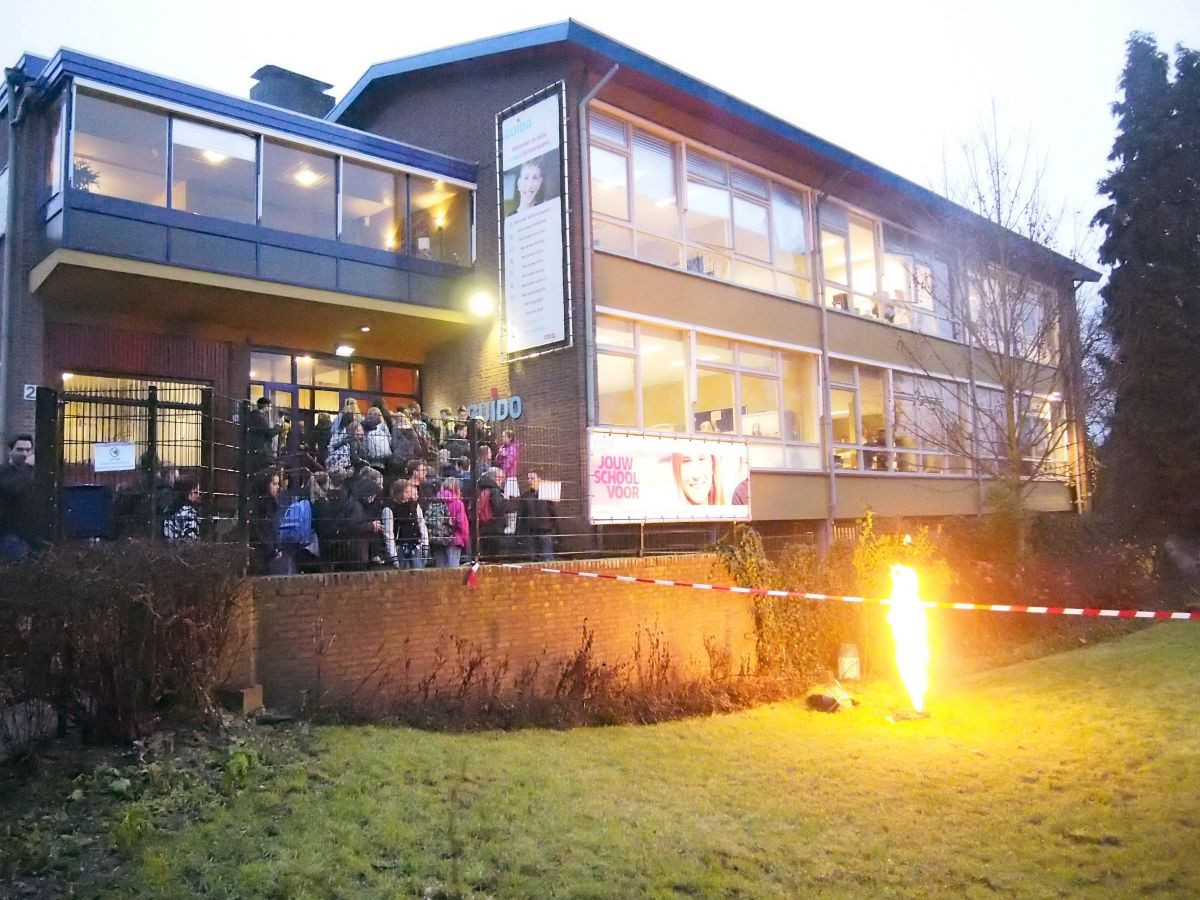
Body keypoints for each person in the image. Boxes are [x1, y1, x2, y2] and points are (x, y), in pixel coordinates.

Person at [0, 434, 36, 559]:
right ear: (10, 451)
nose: (24, 454)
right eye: (20, 450)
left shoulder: (30, 473)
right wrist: (27, 466)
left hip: (29, 532)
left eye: (28, 450)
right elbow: (14, 488)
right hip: (9, 533)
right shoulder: (3, 472)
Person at [250, 468, 289, 575]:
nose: (278, 487)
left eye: (278, 484)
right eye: (274, 484)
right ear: (265, 485)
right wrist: (270, 548)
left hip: (271, 551)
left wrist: (277, 547)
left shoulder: (272, 503)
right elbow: (257, 529)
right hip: (260, 552)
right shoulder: (256, 505)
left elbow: (274, 528)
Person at [426, 476, 469, 568]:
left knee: (440, 571)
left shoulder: (435, 501)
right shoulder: (457, 503)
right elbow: (462, 524)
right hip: (454, 539)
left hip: (438, 539)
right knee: (452, 570)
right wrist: (466, 541)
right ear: (457, 488)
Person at [388, 479, 428, 569]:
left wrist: (425, 544)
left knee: (418, 571)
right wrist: (393, 555)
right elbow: (389, 533)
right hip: (399, 547)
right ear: (399, 493)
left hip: (415, 545)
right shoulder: (391, 508)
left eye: (410, 492)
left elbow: (421, 524)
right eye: (406, 492)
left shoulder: (415, 505)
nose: (409, 494)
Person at [519, 471, 557, 561]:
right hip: (531, 533)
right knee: (533, 560)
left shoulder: (547, 494)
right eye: (528, 478)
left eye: (532, 478)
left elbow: (554, 514)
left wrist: (555, 532)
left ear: (539, 479)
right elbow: (521, 515)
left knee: (548, 560)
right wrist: (520, 534)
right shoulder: (525, 496)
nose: (530, 481)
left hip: (545, 532)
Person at [245, 397, 280, 472]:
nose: (270, 409)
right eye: (269, 406)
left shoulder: (251, 416)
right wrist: (278, 425)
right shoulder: (260, 418)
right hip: (261, 452)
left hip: (253, 450)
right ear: (266, 406)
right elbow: (269, 433)